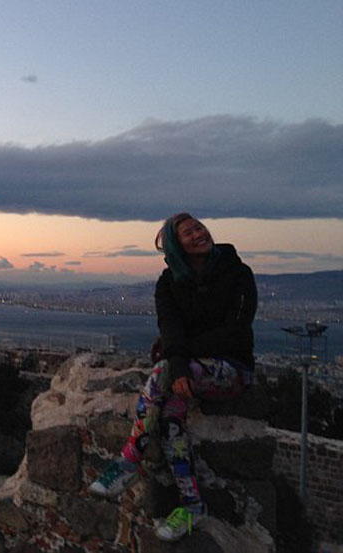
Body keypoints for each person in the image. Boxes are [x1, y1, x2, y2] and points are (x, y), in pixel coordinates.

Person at [88, 212, 257, 541]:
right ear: (176, 246)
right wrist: (178, 356)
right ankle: (192, 505)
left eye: (198, 227)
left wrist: (177, 357)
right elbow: (170, 326)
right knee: (169, 418)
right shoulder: (169, 283)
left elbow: (235, 333)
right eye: (187, 233)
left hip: (233, 368)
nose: (198, 234)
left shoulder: (238, 273)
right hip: (187, 370)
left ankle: (130, 458)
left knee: (164, 369)